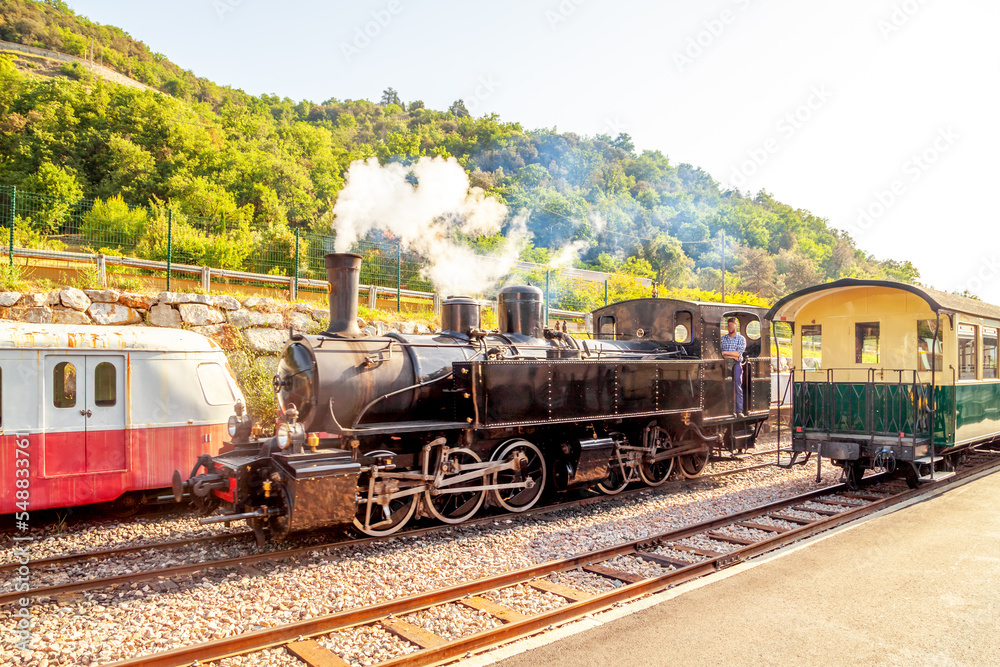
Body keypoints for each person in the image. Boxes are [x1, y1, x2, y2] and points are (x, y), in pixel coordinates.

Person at [721, 316, 746, 413]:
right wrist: (729, 354)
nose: (729, 327)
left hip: (736, 364)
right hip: (724, 364)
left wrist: (725, 353)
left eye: (731, 325)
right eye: (728, 325)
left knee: (737, 385)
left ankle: (739, 410)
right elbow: (721, 352)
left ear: (736, 326)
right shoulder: (723, 339)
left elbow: (738, 354)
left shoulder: (741, 339)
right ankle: (726, 409)